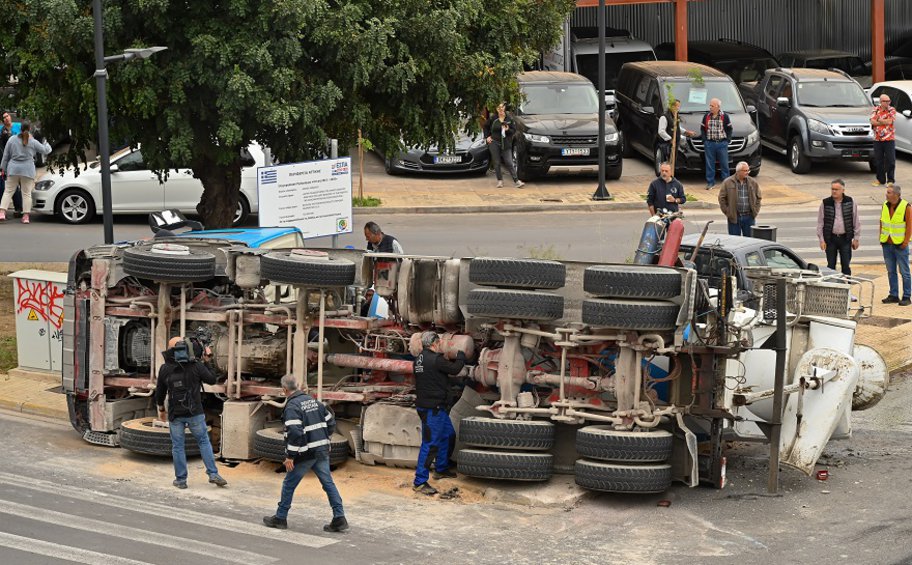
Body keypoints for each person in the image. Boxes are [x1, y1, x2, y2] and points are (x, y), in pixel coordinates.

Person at [263, 374, 348, 532]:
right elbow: (331, 421)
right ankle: (339, 517)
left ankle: (280, 518)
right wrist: (326, 440)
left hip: (306, 453)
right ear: (299, 386)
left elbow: (295, 433)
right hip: (321, 450)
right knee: (328, 484)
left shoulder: (292, 407)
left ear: (284, 390)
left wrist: (290, 456)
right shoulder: (315, 402)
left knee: (289, 484)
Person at [154, 336, 228, 489]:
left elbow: (160, 392)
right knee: (203, 442)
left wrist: (161, 408)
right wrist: (207, 360)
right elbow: (212, 380)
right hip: (195, 412)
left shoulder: (165, 368)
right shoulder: (196, 366)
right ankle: (213, 473)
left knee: (178, 446)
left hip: (175, 414)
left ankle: (181, 480)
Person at [412, 331, 466, 495]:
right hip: (431, 409)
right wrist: (461, 354)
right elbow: (456, 369)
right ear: (435, 343)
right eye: (439, 342)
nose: (441, 344)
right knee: (430, 444)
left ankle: (441, 469)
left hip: (435, 408)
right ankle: (420, 482)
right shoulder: (435, 359)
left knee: (448, 435)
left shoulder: (419, 359)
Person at [0, 121, 51, 224]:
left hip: (13, 169)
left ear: (20, 129)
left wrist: (3, 169)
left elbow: (5, 156)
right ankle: (26, 216)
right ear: (30, 129)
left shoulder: (12, 140)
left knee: (8, 191)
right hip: (27, 170)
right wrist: (46, 142)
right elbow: (46, 150)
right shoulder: (32, 141)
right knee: (26, 193)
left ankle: (2, 213)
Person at [817, 179, 861, 276]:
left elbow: (856, 220)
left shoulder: (850, 202)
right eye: (832, 189)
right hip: (830, 239)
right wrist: (821, 240)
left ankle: (847, 285)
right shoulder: (825, 203)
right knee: (831, 266)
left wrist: (856, 239)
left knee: (845, 265)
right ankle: (832, 286)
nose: (834, 191)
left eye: (836, 189)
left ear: (843, 190)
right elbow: (820, 223)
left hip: (845, 239)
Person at [879, 185, 912, 306]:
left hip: (900, 245)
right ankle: (893, 295)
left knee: (904, 272)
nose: (886, 194)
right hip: (887, 244)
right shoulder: (885, 205)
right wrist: (881, 238)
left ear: (896, 195)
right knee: (891, 271)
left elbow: (909, 226)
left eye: (888, 192)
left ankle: (907, 296)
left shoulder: (906, 207)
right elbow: (882, 222)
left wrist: (905, 242)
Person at [484, 103, 524, 189]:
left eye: (502, 107)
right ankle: (500, 181)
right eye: (499, 108)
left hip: (506, 143)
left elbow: (514, 130)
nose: (501, 109)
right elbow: (486, 127)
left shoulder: (509, 118)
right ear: (496, 109)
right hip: (494, 143)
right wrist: (487, 137)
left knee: (509, 162)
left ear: (504, 108)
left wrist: (508, 129)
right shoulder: (493, 118)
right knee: (497, 162)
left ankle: (517, 181)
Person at [718, 161, 761, 236]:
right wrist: (729, 212)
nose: (747, 172)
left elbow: (759, 197)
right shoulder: (728, 182)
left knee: (749, 242)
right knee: (735, 242)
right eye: (745, 171)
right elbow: (721, 199)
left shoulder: (753, 182)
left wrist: (755, 211)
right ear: (738, 171)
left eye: (748, 170)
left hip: (749, 217)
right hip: (734, 218)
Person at [700, 98, 732, 190]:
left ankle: (726, 183)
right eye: (710, 105)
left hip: (722, 143)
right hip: (709, 144)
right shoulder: (706, 116)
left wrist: (727, 140)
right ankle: (710, 183)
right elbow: (702, 129)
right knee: (709, 164)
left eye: (712, 106)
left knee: (724, 164)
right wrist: (705, 141)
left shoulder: (725, 116)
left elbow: (729, 129)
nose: (710, 107)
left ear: (718, 107)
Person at [871, 93, 897, 188]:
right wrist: (883, 121)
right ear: (881, 102)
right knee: (879, 160)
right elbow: (872, 122)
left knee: (891, 160)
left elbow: (890, 121)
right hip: (877, 139)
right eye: (885, 101)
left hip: (889, 139)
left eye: (888, 101)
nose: (887, 103)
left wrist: (879, 120)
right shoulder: (875, 109)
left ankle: (890, 180)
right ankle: (880, 179)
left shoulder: (892, 110)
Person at [0, 112, 23, 218]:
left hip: (20, 159)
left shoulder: (18, 126)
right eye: (4, 117)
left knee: (18, 185)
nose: (6, 119)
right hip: (7, 161)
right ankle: (16, 208)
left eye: (7, 116)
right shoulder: (1, 130)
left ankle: (20, 208)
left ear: (10, 116)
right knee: (9, 185)